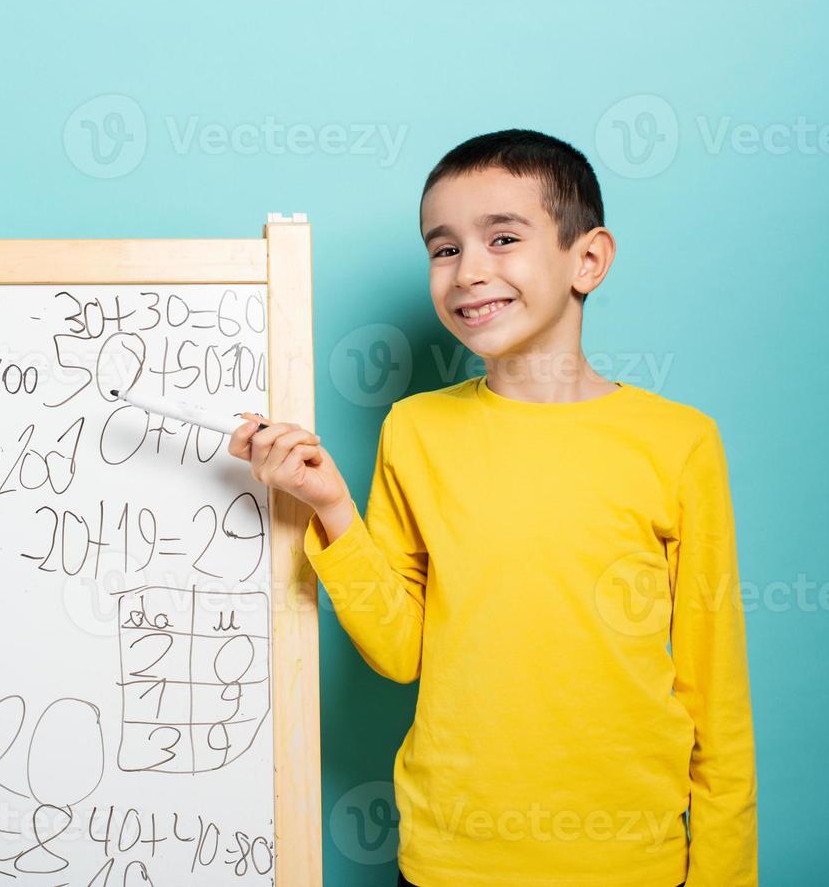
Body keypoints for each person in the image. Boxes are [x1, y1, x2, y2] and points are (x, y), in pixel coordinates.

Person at [228, 129, 758, 887]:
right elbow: (401, 649)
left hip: (629, 862)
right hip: (452, 859)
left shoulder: (679, 443)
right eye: (442, 250)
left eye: (501, 238)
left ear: (588, 259)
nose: (467, 272)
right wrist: (330, 505)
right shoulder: (413, 431)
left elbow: (716, 692)